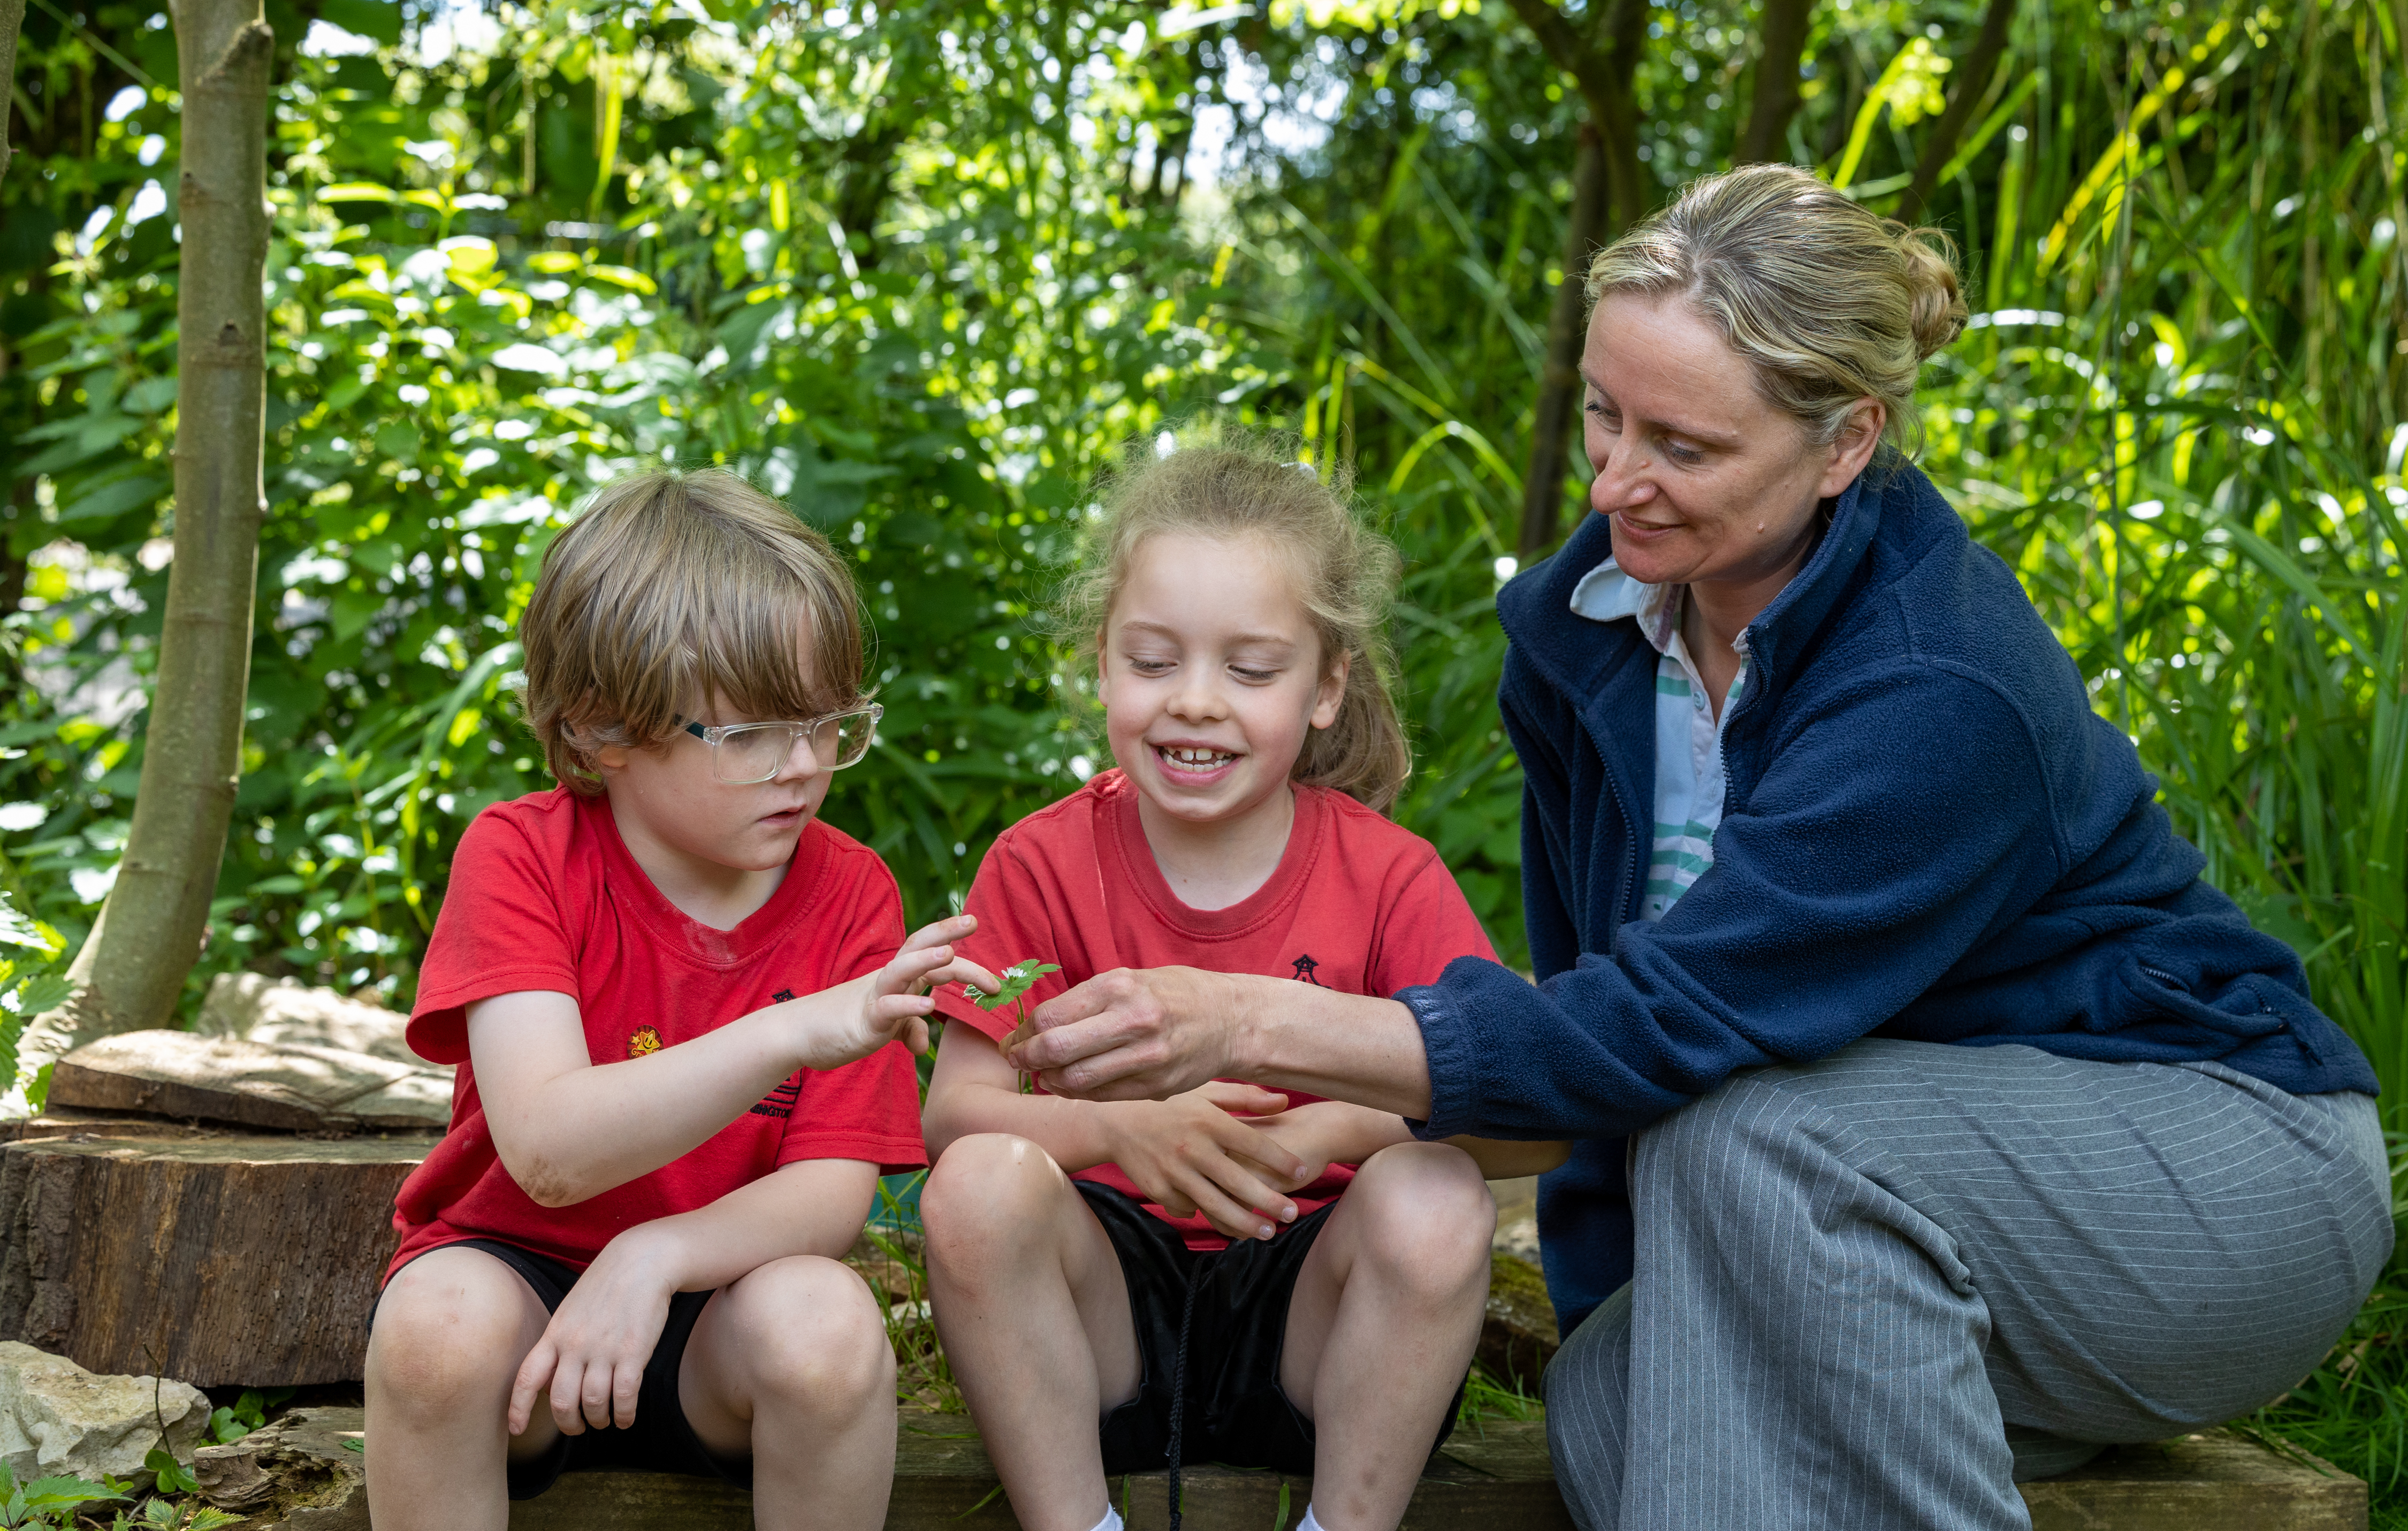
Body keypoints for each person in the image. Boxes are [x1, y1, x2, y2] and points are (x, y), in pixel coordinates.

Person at [994, 166, 2391, 1531]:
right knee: (1615, 1400)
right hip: (1890, 1227)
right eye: (1604, 417)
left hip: (2210, 1184)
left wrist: (1243, 1018)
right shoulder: (1578, 634)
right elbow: (1592, 1010)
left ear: (1845, 440)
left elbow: (1663, 1028)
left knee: (1757, 1132)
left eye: (1684, 446)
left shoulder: (1932, 686)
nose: (1615, 482)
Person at [918, 441, 1567, 1531]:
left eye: (1252, 669)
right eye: (1154, 660)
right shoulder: (1036, 863)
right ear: (1102, 664)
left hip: (1317, 1325)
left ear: (1327, 689)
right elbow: (952, 1121)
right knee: (980, 1186)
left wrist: (1337, 1132)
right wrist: (1126, 1135)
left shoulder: (1387, 875)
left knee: (1437, 1193)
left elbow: (1528, 1124)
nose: (1198, 703)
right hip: (1099, 1324)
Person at [364, 468, 992, 1531]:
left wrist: (657, 1255)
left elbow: (833, 1195)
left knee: (830, 1324)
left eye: (829, 724)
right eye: (748, 734)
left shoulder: (849, 892)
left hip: (720, 1314)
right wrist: (795, 1029)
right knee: (434, 1326)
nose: (802, 766)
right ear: (605, 729)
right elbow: (549, 1152)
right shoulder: (523, 856)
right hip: (521, 1305)